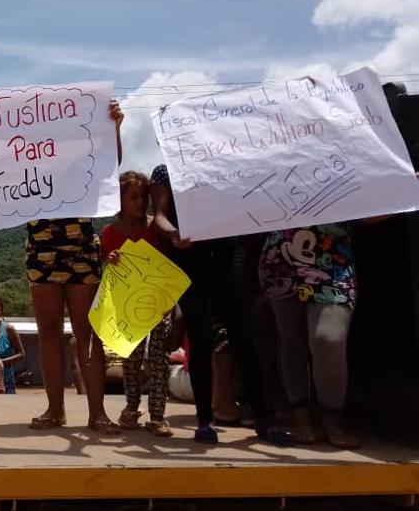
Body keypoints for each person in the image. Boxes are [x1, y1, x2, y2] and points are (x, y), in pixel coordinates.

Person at [0, 100, 125, 434]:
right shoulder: (24, 153)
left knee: (87, 333)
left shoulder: (81, 149)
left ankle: (98, 413)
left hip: (80, 242)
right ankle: (56, 409)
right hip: (40, 245)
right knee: (49, 330)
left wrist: (115, 128)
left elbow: (108, 166)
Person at [150, 163, 288, 446]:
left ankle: (264, 419)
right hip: (190, 256)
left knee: (244, 334)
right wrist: (174, 233)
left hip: (228, 252)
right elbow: (159, 217)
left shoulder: (224, 156)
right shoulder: (165, 170)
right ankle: (204, 420)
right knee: (199, 336)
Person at [258, 223, 360, 448]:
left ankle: (332, 417)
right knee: (291, 341)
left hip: (334, 261)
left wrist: (403, 193)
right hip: (280, 257)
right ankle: (300, 416)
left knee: (328, 339)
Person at [100, 171, 173, 437]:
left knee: (158, 358)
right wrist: (111, 260)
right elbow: (104, 270)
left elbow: (166, 266)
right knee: (130, 360)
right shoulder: (109, 232)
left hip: (158, 303)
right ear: (119, 200)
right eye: (133, 197)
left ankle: (158, 415)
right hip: (128, 308)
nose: (140, 202)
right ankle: (131, 407)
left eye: (143, 197)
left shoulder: (155, 228)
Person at [0, 297, 24, 394]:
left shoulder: (8, 329)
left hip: (6, 381)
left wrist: (0, 363)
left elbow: (21, 354)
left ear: (1, 312)